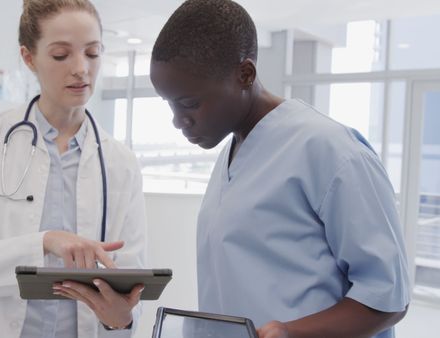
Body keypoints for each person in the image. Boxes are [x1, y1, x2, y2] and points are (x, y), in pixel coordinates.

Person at [149, 1, 410, 338]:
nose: (177, 120)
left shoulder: (331, 150)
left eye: (189, 104)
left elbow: (387, 297)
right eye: (169, 104)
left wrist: (290, 332)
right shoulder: (233, 152)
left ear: (245, 74)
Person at [0, 1, 147, 337]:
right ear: (29, 58)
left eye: (92, 53)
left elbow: (131, 283)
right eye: (61, 55)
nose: (81, 69)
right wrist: (43, 242)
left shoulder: (121, 163)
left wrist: (121, 319)